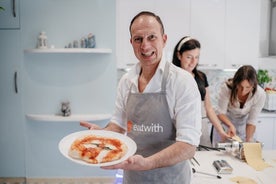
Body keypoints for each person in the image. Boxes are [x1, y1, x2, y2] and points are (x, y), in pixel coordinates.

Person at [80, 11, 201, 184]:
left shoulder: (182, 82)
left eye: (152, 37)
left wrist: (148, 163)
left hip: (171, 179)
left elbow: (188, 146)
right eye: (138, 39)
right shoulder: (126, 81)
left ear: (164, 39)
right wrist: (103, 134)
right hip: (134, 177)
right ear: (132, 42)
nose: (145, 46)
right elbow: (118, 126)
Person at [172, 36, 229, 147]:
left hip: (201, 126)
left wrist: (221, 131)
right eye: (189, 57)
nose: (193, 62)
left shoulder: (201, 77)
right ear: (179, 55)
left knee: (204, 160)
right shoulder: (172, 78)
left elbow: (208, 108)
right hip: (178, 127)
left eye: (196, 57)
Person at [212, 65, 266, 145]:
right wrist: (230, 125)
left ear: (253, 85)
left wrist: (249, 140)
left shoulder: (260, 94)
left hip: (244, 127)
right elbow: (220, 112)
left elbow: (252, 120)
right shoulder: (226, 88)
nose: (243, 91)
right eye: (240, 86)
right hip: (225, 125)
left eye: (248, 87)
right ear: (236, 83)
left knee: (246, 148)